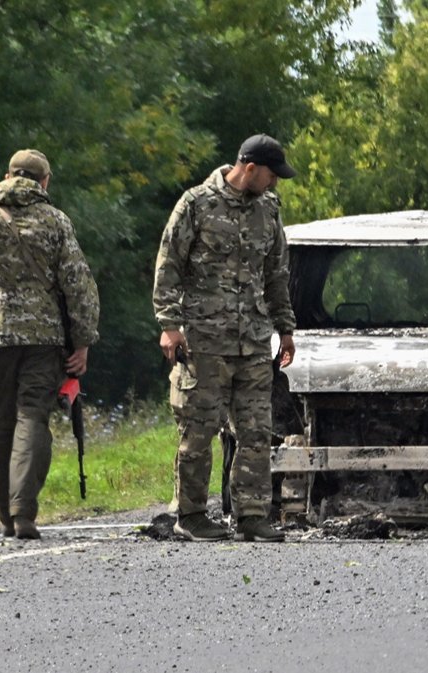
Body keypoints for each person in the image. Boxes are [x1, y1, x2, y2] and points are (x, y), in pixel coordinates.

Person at [0, 149, 100, 540]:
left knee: (3, 419)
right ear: (44, 181)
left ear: (8, 175)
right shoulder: (55, 222)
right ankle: (24, 512)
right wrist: (82, 341)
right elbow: (79, 285)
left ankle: (5, 516)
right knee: (33, 415)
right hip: (45, 339)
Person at [153, 134, 297, 542]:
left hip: (252, 340)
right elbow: (168, 266)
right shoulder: (196, 204)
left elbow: (276, 274)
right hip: (204, 339)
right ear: (250, 168)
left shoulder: (269, 209)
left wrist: (285, 328)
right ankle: (192, 514)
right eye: (271, 175)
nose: (275, 183)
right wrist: (169, 324)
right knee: (198, 429)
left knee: (255, 431)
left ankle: (252, 514)